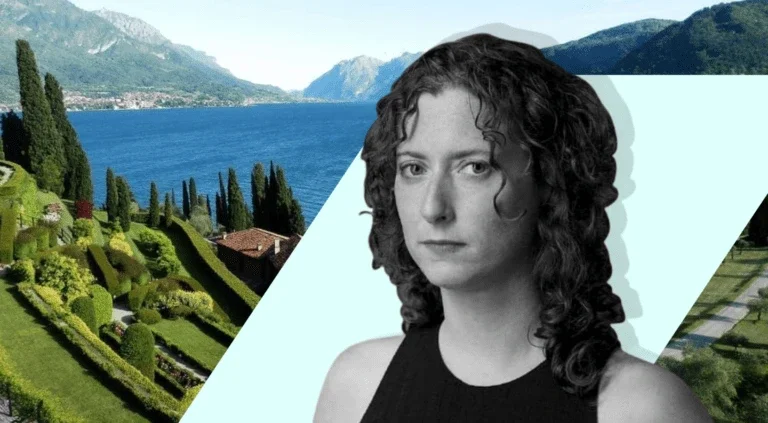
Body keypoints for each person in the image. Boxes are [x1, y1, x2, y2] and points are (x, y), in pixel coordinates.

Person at [314, 34, 711, 423]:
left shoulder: (644, 408)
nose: (433, 208)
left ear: (551, 181)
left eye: (475, 167)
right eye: (413, 169)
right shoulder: (356, 384)